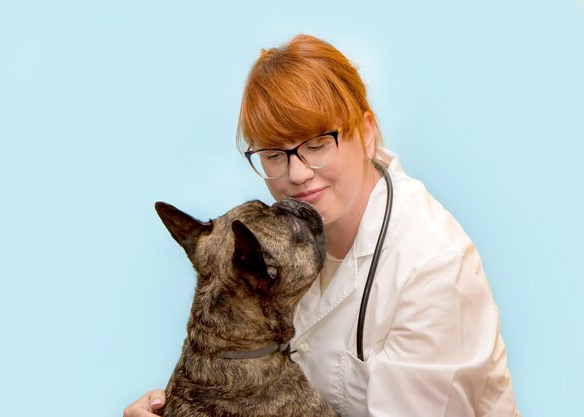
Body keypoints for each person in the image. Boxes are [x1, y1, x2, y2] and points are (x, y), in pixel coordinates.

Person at [124, 34, 520, 417]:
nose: (296, 175)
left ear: (365, 134)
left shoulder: (432, 270)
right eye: (275, 153)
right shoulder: (272, 246)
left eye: (317, 144)